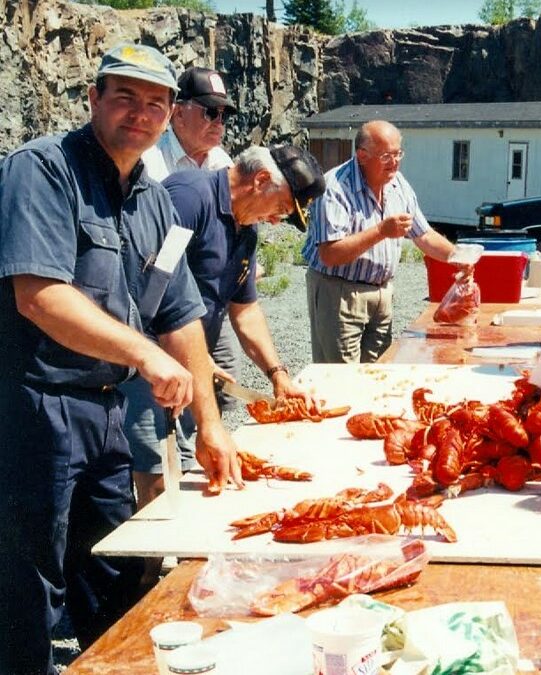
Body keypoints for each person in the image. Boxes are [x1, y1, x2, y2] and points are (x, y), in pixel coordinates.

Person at [0, 43, 241, 675]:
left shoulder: (154, 199)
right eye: (125, 97)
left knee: (114, 565)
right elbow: (40, 296)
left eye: (155, 103)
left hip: (106, 415)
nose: (141, 114)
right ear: (93, 100)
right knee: (29, 583)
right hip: (35, 407)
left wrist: (210, 426)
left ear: (169, 117)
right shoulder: (42, 169)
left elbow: (179, 314)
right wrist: (143, 355)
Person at [123, 144, 327, 512]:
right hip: (150, 356)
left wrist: (277, 374)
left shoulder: (244, 230)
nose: (277, 220)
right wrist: (188, 354)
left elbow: (245, 310)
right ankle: (150, 565)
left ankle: (174, 549)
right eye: (281, 207)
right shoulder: (189, 198)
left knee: (189, 458)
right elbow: (147, 291)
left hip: (189, 361)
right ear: (261, 180)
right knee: (156, 464)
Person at [303, 119, 456, 363]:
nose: (394, 162)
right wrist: (382, 231)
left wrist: (459, 257)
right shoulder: (334, 188)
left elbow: (424, 235)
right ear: (362, 156)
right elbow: (330, 254)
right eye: (386, 156)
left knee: (378, 373)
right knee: (342, 377)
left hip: (382, 293)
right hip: (340, 292)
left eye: (398, 154)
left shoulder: (397, 184)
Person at [141, 65, 244, 416]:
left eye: (224, 114)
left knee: (227, 383)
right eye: (210, 112)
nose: (220, 122)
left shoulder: (222, 162)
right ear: (178, 112)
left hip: (211, 297)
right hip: (163, 299)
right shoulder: (150, 162)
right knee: (172, 396)